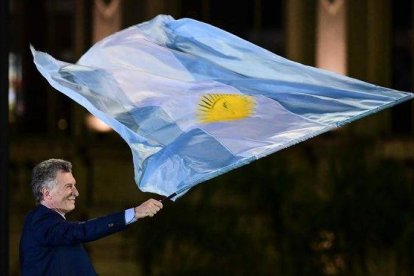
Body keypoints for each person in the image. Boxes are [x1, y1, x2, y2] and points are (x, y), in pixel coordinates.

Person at [19, 158, 163, 275]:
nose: (76, 193)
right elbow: (80, 231)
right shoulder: (39, 220)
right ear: (47, 193)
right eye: (69, 186)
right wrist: (134, 212)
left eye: (74, 185)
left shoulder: (54, 225)